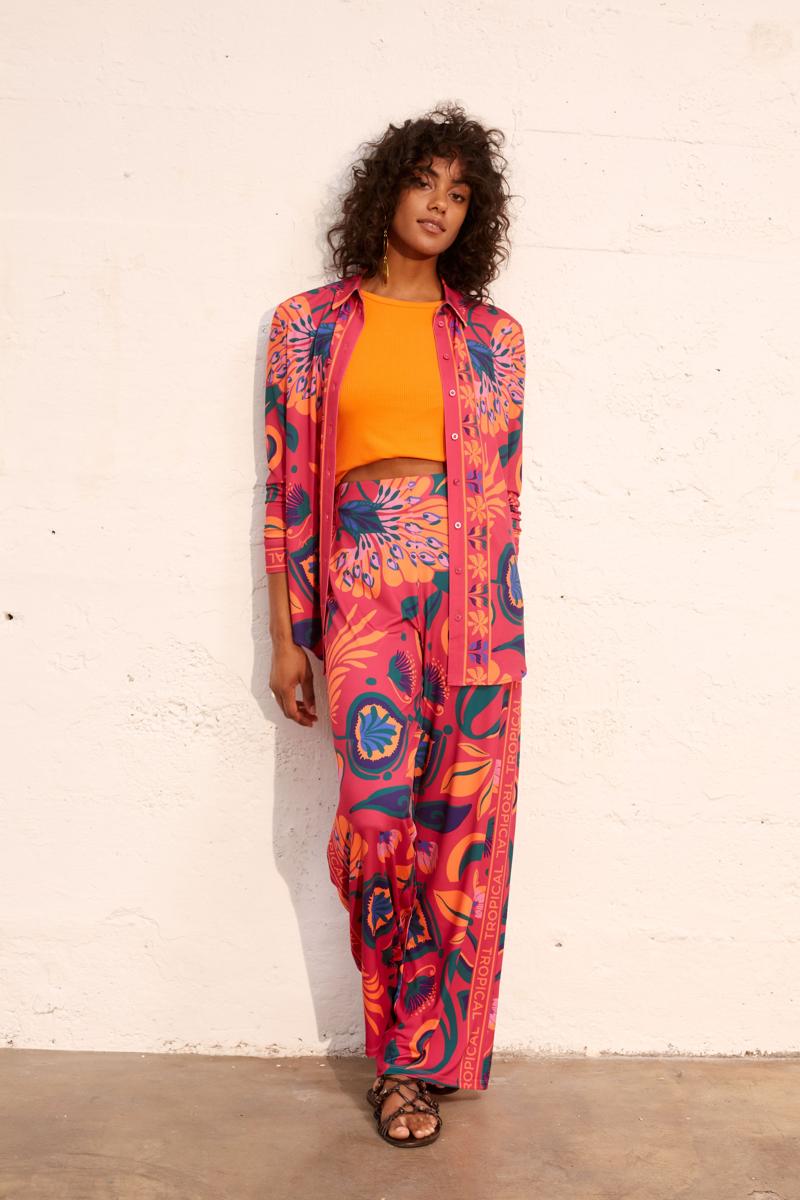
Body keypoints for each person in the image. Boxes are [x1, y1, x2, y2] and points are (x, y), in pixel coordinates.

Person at [264, 102, 526, 1147]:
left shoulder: (495, 340)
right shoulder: (307, 326)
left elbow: (505, 492)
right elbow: (288, 482)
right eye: (426, 181)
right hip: (363, 584)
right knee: (377, 825)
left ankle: (413, 1063)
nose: (440, 205)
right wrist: (290, 632)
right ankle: (400, 1043)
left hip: (473, 600)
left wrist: (496, 620)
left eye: (461, 193)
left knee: (457, 838)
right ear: (387, 190)